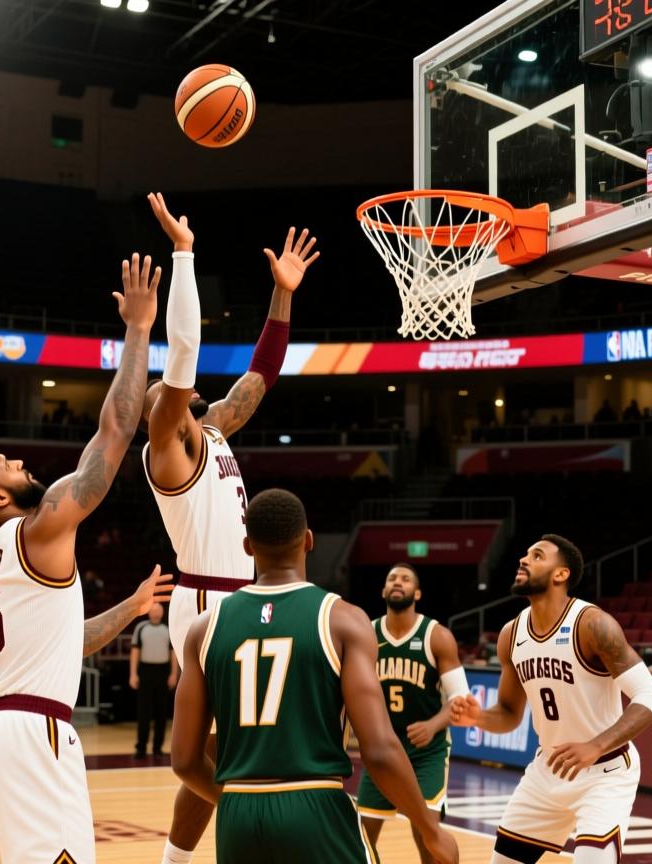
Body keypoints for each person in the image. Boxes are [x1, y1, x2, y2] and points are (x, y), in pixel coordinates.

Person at [0, 247, 174, 864]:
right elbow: (119, 428)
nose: (19, 462)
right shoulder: (38, 529)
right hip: (32, 736)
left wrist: (131, 607)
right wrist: (141, 327)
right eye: (5, 465)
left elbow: (63, 642)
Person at [139, 192, 319, 864]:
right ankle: (271, 830)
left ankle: (177, 860)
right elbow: (182, 353)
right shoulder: (168, 454)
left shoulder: (215, 428)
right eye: (174, 398)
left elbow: (261, 375)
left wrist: (282, 294)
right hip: (208, 601)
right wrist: (183, 256)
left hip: (245, 595)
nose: (180, 399)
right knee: (232, 748)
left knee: (227, 747)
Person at [171, 489, 458, 864]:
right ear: (308, 541)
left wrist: (236, 801)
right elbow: (380, 750)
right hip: (314, 805)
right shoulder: (343, 619)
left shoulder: (203, 628)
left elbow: (184, 761)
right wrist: (430, 829)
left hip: (237, 817)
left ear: (247, 546)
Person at [448, 535, 652, 864]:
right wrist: (477, 718)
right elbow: (507, 714)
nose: (523, 559)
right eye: (525, 553)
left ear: (560, 574)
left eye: (536, 555)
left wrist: (595, 745)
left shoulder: (592, 625)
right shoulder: (511, 634)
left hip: (605, 772)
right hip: (548, 770)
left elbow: (650, 697)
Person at [356, 563, 469, 864]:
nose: (397, 582)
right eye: (391, 578)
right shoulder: (366, 634)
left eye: (405, 579)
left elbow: (461, 699)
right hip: (382, 750)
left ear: (417, 593)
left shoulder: (437, 636)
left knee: (427, 833)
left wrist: (433, 725)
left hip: (425, 752)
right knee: (361, 837)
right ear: (383, 590)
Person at [130, 602, 178, 758]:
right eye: (153, 610)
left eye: (159, 610)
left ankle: (158, 748)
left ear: (162, 612)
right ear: (148, 612)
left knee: (161, 712)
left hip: (163, 672)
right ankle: (141, 748)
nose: (156, 613)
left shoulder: (168, 629)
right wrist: (133, 674)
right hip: (145, 671)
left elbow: (173, 653)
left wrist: (173, 674)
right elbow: (135, 652)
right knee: (144, 712)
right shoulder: (141, 628)